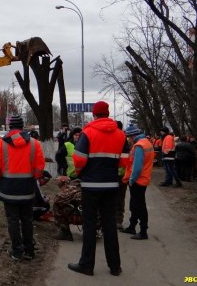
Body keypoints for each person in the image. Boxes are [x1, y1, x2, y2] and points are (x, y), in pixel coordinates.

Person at [68, 101, 129, 277]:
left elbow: (79, 159)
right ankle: (115, 266)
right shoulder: (120, 135)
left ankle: (86, 265)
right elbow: (124, 161)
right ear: (108, 114)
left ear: (94, 114)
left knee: (90, 225)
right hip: (111, 186)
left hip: (90, 186)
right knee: (109, 225)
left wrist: (80, 172)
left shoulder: (88, 133)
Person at [0, 115, 45, 261]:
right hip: (27, 188)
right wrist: (33, 178)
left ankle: (17, 251)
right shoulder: (34, 143)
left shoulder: (1, 144)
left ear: (10, 127)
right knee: (27, 219)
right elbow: (39, 167)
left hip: (8, 188)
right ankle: (29, 250)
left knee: (12, 220)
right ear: (22, 127)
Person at [119, 124, 155, 240]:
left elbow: (137, 166)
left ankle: (143, 231)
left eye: (129, 137)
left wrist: (131, 179)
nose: (128, 139)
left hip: (138, 180)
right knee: (135, 204)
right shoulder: (147, 142)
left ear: (132, 136)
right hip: (143, 179)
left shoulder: (139, 146)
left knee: (139, 206)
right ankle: (132, 226)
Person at [53, 176, 82, 241]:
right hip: (95, 218)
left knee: (57, 206)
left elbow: (57, 200)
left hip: (82, 218)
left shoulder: (71, 189)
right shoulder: (80, 187)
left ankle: (65, 233)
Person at [115, 121, 129, 230]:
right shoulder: (125, 140)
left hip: (117, 174)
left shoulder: (121, 139)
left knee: (116, 198)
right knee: (120, 198)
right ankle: (118, 220)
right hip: (122, 175)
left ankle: (117, 220)